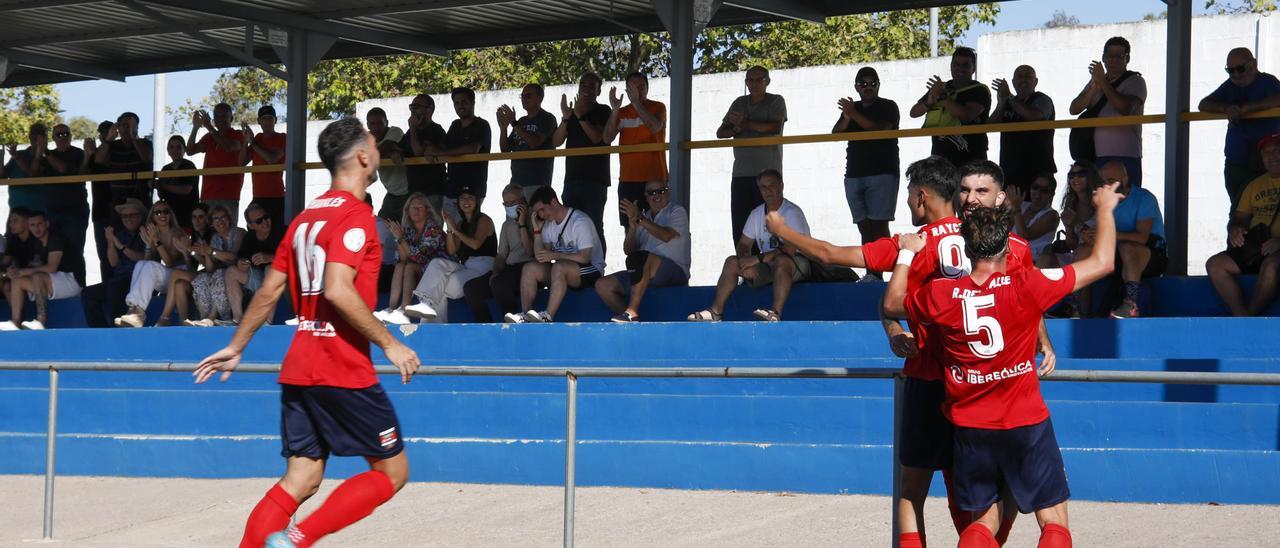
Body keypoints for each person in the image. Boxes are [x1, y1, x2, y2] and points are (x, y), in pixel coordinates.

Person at [193, 117, 421, 548]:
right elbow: (337, 288)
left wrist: (236, 346)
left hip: (299, 365)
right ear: (362, 156)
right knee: (393, 472)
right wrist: (390, 342)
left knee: (302, 477)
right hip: (342, 368)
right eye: (374, 142)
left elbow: (269, 291)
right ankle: (296, 539)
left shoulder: (304, 219)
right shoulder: (356, 218)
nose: (378, 147)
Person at [882, 179, 1123, 548]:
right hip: (1025, 422)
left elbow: (893, 303)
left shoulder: (943, 294)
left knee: (982, 523)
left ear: (967, 247)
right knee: (1054, 521)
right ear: (1009, 248)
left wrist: (906, 252)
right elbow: (1103, 262)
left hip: (970, 426)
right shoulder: (1028, 285)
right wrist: (1104, 208)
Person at [687, 169, 809, 323]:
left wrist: (757, 259)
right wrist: (745, 261)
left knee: (782, 261)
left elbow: (790, 250)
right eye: (763, 187)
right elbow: (743, 244)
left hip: (798, 263)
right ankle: (715, 311)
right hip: (769, 264)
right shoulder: (757, 213)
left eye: (771, 185)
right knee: (732, 262)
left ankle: (775, 312)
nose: (767, 190)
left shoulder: (792, 212)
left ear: (781, 186)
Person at [835, 66, 900, 280]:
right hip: (854, 173)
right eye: (863, 83)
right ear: (856, 86)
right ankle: (873, 272)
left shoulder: (888, 106)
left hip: (882, 172)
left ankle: (886, 273)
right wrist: (847, 116)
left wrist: (853, 113)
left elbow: (879, 129)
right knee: (864, 226)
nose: (868, 87)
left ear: (879, 85)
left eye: (873, 83)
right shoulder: (851, 110)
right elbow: (836, 134)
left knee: (879, 226)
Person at [595, 179, 690, 322]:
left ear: (668, 192)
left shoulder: (676, 211)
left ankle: (632, 311)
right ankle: (632, 320)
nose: (656, 195)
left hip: (674, 271)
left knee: (644, 258)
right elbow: (629, 251)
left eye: (661, 191)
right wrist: (632, 229)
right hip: (646, 273)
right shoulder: (643, 218)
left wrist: (639, 219)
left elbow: (666, 235)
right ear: (646, 196)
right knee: (603, 285)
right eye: (652, 193)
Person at [1206, 133, 1280, 316]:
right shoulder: (1255, 185)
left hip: (1276, 253)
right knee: (1215, 264)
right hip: (1257, 247)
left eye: (1277, 151)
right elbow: (1239, 218)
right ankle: (1241, 316)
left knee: (1271, 266)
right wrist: (1234, 230)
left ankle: (1248, 319)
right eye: (1266, 153)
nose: (1272, 156)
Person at [1198, 47, 1280, 209]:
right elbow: (1204, 104)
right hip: (1237, 164)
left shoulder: (1268, 82)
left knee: (1269, 213)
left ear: (1253, 65)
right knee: (1238, 215)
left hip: (1268, 163)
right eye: (1230, 70)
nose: (1235, 74)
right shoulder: (1229, 86)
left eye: (1240, 69)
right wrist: (1226, 108)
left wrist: (1247, 108)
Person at [509, 186, 605, 323]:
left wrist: (555, 255)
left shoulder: (580, 221)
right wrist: (537, 231)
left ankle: (548, 316)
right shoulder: (549, 224)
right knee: (530, 268)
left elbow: (584, 257)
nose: (541, 215)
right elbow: (541, 257)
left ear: (554, 202)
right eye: (537, 212)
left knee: (559, 266)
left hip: (590, 271)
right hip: (563, 271)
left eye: (542, 209)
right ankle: (525, 316)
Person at [403, 186, 496, 323]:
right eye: (463, 198)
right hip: (467, 266)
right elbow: (452, 250)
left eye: (470, 197)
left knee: (440, 288)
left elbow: (475, 244)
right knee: (437, 265)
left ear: (477, 201)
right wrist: (450, 230)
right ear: (458, 202)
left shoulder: (484, 219)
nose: (466, 201)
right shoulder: (460, 224)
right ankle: (430, 318)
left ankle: (428, 318)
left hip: (484, 267)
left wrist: (456, 231)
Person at [717, 66, 788, 245]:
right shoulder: (739, 103)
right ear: (746, 82)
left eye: (759, 80)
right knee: (741, 225)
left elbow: (774, 127)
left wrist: (746, 124)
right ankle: (745, 269)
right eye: (751, 80)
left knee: (770, 224)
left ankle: (771, 268)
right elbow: (721, 132)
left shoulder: (776, 101)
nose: (755, 84)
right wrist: (736, 128)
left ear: (768, 81)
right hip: (741, 173)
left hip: (768, 174)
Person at [1085, 161, 1165, 318]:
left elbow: (1142, 237)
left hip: (1152, 255)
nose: (1106, 186)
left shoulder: (1144, 198)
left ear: (1125, 180)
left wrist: (1106, 234)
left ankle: (1131, 304)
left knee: (1127, 247)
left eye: (1111, 181)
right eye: (1102, 182)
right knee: (1084, 250)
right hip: (1117, 256)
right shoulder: (1103, 200)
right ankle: (1078, 307)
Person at [1068, 36, 1146, 187]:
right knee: (1099, 205)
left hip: (1126, 155)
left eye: (1119, 56)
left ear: (1127, 58)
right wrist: (1094, 88)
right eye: (1110, 56)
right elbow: (1074, 109)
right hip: (1096, 157)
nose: (1114, 60)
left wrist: (1102, 82)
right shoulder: (1096, 81)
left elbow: (1124, 108)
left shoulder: (1135, 81)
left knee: (1126, 200)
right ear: (1103, 58)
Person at [552, 72, 613, 251]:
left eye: (591, 87)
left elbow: (597, 137)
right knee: (570, 225)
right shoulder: (572, 113)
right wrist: (566, 117)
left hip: (595, 180)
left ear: (598, 91)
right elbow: (556, 142)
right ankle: (576, 269)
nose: (586, 90)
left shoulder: (603, 110)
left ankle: (597, 268)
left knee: (593, 225)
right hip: (571, 179)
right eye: (583, 85)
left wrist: (579, 115)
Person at [462, 184, 534, 322]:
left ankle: (512, 323)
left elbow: (530, 252)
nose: (509, 206)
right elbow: (501, 255)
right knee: (471, 288)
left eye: (513, 202)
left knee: (499, 283)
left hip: (528, 269)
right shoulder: (506, 225)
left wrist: (522, 223)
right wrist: (495, 272)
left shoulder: (534, 219)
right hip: (509, 269)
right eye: (506, 203)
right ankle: (486, 327)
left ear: (523, 201)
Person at [604, 72, 668, 226]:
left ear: (647, 88)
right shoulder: (622, 112)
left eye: (641, 87)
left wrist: (636, 103)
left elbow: (655, 127)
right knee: (630, 227)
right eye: (633, 87)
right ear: (627, 89)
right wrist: (614, 110)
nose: (638, 91)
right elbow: (607, 138)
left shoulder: (658, 107)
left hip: (655, 179)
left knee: (658, 224)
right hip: (628, 179)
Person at [909, 47, 991, 168]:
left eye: (965, 65)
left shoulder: (980, 90)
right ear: (951, 66)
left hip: (971, 161)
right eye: (956, 64)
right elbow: (913, 113)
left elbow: (966, 116)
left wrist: (942, 96)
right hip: (940, 160)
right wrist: (928, 103)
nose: (960, 69)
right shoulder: (941, 87)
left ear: (973, 68)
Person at [0, 210, 82, 331]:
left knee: (37, 276)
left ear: (47, 224)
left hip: (73, 281)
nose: (36, 228)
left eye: (39, 224)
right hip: (53, 282)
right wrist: (15, 272)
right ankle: (15, 323)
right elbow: (35, 266)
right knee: (17, 281)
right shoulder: (37, 242)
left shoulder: (55, 238)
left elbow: (51, 267)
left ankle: (40, 322)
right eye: (32, 225)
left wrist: (22, 271)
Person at [374, 193, 447, 324]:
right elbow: (402, 258)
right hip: (418, 271)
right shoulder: (409, 230)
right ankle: (391, 309)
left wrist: (400, 238)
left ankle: (403, 311)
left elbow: (420, 258)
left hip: (435, 274)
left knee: (410, 266)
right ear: (407, 211)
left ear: (428, 210)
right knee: (400, 265)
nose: (416, 210)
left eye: (420, 207)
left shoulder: (433, 229)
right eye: (412, 207)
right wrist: (398, 237)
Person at [113, 201, 183, 327]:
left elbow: (169, 262)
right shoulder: (154, 232)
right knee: (140, 263)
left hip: (179, 277)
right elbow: (147, 259)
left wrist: (156, 241)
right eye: (158, 212)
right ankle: (132, 310)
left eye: (166, 211)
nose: (162, 214)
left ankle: (139, 314)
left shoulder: (176, 232)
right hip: (167, 278)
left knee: (150, 266)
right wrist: (148, 245)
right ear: (153, 216)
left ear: (171, 215)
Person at [80, 198, 147, 328]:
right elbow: (113, 263)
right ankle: (101, 331)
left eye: (132, 215)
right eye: (124, 216)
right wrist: (110, 241)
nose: (128, 219)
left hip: (138, 283)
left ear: (140, 216)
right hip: (118, 279)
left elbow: (142, 258)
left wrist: (119, 245)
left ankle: (116, 330)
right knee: (88, 293)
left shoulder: (146, 233)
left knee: (114, 289)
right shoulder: (121, 235)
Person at [992, 65, 1056, 195]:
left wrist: (1009, 96)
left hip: (1038, 169)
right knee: (1011, 213)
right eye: (1019, 77)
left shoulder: (1042, 99)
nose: (1023, 80)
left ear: (1036, 81)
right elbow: (991, 124)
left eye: (1028, 76)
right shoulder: (1009, 102)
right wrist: (1001, 102)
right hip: (1010, 170)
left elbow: (1033, 116)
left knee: (1038, 212)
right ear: (1013, 82)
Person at [43, 123, 91, 287]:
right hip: (52, 212)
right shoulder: (46, 158)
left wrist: (45, 151)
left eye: (66, 134)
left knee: (75, 252)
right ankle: (59, 288)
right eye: (59, 134)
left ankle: (80, 288)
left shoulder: (78, 154)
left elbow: (63, 169)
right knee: (54, 253)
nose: (63, 137)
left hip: (75, 212)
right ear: (53, 138)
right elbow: (33, 172)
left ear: (71, 136)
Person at [185, 204, 246, 326]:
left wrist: (211, 251)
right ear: (211, 223)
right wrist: (204, 253)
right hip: (221, 274)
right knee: (201, 279)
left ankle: (211, 318)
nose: (220, 221)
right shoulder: (215, 239)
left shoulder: (238, 232)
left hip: (239, 274)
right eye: (216, 219)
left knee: (219, 274)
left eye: (223, 217)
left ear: (229, 219)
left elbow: (234, 256)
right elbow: (210, 268)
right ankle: (205, 317)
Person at [439, 87, 492, 223]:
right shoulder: (455, 125)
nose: (460, 106)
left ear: (473, 103)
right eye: (456, 103)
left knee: (467, 232)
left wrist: (443, 153)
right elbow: (443, 146)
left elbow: (472, 148)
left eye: (463, 102)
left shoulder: (482, 125)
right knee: (451, 232)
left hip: (472, 190)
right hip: (451, 190)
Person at [188, 103, 246, 225]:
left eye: (224, 116)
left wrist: (209, 127)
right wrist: (195, 127)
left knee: (227, 233)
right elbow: (190, 151)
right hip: (208, 194)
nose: (220, 119)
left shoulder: (238, 134)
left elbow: (228, 147)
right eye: (217, 116)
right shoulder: (209, 137)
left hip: (229, 194)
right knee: (207, 234)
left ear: (231, 118)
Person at [225, 202, 282, 325]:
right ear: (250, 226)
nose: (265, 222)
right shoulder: (249, 237)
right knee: (231, 271)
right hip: (259, 280)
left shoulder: (281, 231)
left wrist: (270, 258)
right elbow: (240, 257)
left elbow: (294, 257)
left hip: (281, 282)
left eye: (266, 217)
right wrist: (241, 263)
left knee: (270, 268)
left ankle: (267, 321)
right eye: (259, 221)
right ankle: (237, 318)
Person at [498, 83, 557, 200]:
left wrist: (514, 123)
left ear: (540, 98)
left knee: (534, 218)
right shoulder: (521, 121)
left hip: (538, 183)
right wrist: (503, 128)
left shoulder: (547, 118)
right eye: (522, 96)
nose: (524, 99)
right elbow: (505, 149)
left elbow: (535, 143)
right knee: (514, 218)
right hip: (516, 183)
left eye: (528, 96)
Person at [156, 203, 213, 325]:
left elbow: (210, 267)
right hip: (200, 277)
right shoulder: (192, 236)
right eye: (194, 217)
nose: (197, 221)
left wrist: (190, 250)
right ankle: (184, 323)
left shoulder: (213, 235)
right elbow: (191, 267)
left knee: (176, 273)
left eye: (201, 217)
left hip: (213, 277)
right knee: (179, 284)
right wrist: (186, 252)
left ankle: (165, 317)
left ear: (208, 219)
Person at [398, 94, 448, 218]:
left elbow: (418, 152)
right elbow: (399, 148)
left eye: (417, 107)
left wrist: (413, 127)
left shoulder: (436, 130)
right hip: (413, 192)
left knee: (432, 232)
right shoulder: (410, 133)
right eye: (411, 107)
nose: (413, 110)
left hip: (433, 192)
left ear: (429, 109)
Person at [241, 105, 288, 224]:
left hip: (276, 196)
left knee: (277, 230)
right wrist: (246, 141)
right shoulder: (258, 138)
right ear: (259, 121)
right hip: (258, 196)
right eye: (264, 118)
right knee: (254, 228)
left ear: (275, 120)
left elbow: (272, 159)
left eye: (270, 118)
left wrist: (253, 143)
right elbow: (241, 163)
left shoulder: (282, 137)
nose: (267, 122)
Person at [366, 107, 409, 221]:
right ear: (368, 125)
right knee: (381, 227)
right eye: (372, 124)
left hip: (409, 193)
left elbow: (387, 145)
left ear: (387, 123)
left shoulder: (395, 131)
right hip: (391, 193)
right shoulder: (366, 140)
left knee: (408, 230)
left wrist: (389, 150)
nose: (376, 127)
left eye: (379, 123)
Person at [1006, 175, 1061, 262]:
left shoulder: (1052, 215)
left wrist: (1016, 209)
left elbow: (1023, 237)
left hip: (1032, 261)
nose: (1038, 193)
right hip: (1010, 256)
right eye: (1035, 187)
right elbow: (1005, 231)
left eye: (1045, 191)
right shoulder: (1022, 205)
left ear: (1052, 194)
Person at [158, 135, 200, 229]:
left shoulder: (189, 166)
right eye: (172, 147)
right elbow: (162, 194)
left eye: (178, 147)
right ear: (168, 150)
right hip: (170, 214)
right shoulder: (165, 169)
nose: (175, 150)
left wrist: (162, 186)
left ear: (184, 150)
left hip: (187, 213)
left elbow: (186, 189)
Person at [6, 123, 50, 212]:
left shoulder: (50, 157)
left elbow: (33, 173)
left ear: (46, 138)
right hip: (16, 211)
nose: (37, 137)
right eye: (34, 133)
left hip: (40, 214)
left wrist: (17, 157)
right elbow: (2, 176)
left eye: (41, 134)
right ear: (29, 136)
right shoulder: (20, 154)